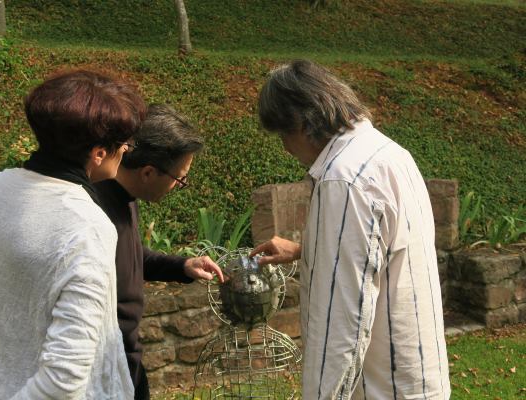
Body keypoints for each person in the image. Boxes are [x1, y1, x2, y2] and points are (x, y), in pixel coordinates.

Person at [0, 70, 146, 400]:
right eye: (124, 145)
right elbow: (64, 380)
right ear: (99, 153)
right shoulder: (85, 225)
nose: (126, 151)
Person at [250, 60, 450, 399]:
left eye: (283, 134)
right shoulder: (388, 153)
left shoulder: (343, 179)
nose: (285, 148)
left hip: (381, 388)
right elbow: (380, 253)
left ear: (301, 123)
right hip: (417, 380)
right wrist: (304, 251)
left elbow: (342, 323)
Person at [94, 104, 224, 400]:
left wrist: (182, 266)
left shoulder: (126, 197)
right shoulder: (94, 209)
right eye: (180, 179)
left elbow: (132, 254)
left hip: (126, 354)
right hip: (103, 361)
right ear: (148, 172)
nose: (179, 186)